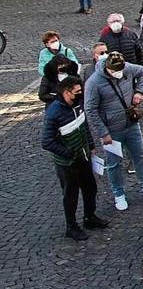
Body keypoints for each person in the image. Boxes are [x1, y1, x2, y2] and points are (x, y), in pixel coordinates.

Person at [83, 51, 143, 211]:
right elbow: (90, 109)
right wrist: (103, 132)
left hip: (131, 123)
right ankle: (118, 194)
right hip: (111, 130)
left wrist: (139, 92)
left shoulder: (126, 68)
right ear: (107, 67)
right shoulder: (94, 82)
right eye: (116, 71)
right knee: (114, 164)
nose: (119, 74)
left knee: (140, 156)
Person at [41, 76, 109, 240]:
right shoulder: (54, 113)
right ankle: (71, 227)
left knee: (90, 188)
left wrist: (91, 145)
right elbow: (47, 141)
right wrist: (68, 153)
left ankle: (89, 217)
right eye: (77, 92)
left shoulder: (78, 105)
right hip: (67, 163)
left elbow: (84, 126)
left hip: (83, 156)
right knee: (70, 195)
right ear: (66, 92)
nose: (80, 94)